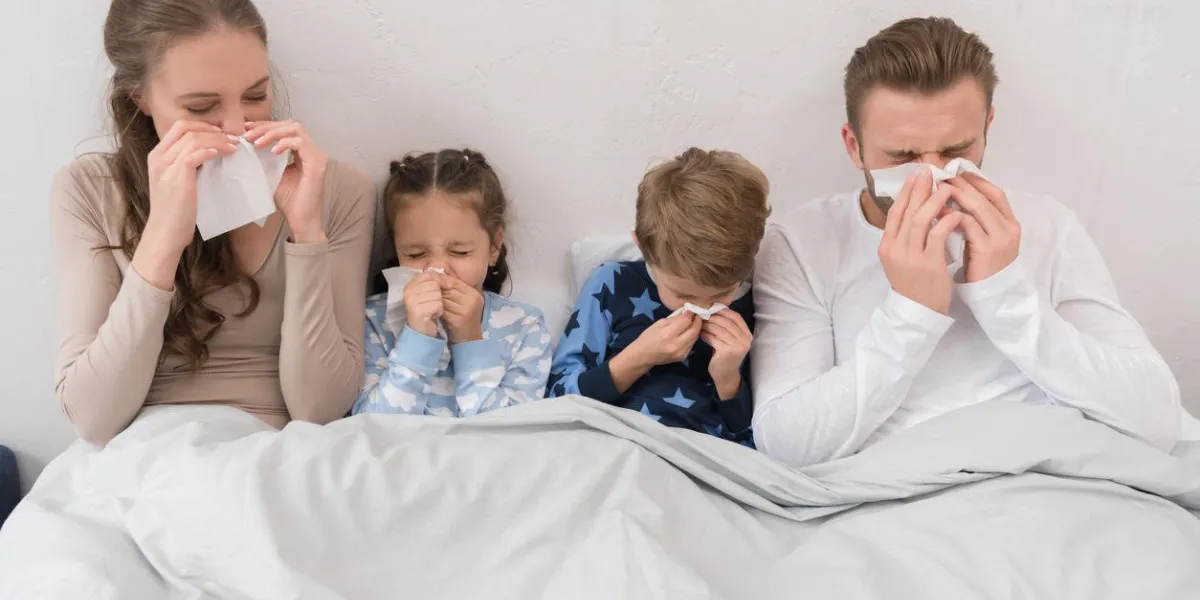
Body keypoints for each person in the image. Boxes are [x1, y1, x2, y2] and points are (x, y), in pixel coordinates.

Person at [750, 17, 1182, 467]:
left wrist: (1006, 296)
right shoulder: (805, 241)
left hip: (1048, 481)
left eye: (956, 152)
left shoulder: (1045, 224)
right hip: (890, 493)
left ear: (987, 128)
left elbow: (1156, 420)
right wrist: (911, 312)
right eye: (902, 157)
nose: (933, 176)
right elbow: (786, 445)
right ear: (854, 146)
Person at [51, 0, 376, 445]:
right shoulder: (89, 190)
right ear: (139, 97)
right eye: (202, 106)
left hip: (282, 454)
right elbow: (92, 418)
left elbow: (319, 409)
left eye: (257, 96)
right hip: (145, 456)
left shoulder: (335, 188)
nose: (238, 126)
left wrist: (306, 234)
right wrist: (164, 238)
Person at [547, 148, 770, 445]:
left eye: (721, 294)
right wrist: (638, 358)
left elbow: (760, 438)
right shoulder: (612, 284)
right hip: (614, 447)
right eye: (683, 294)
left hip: (704, 461)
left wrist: (728, 378)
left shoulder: (757, 306)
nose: (703, 308)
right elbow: (556, 400)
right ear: (642, 247)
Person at [353, 150, 553, 417]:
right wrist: (417, 339)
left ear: (494, 246)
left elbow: (512, 434)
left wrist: (469, 341)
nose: (438, 270)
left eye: (459, 252)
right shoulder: (373, 322)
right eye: (416, 254)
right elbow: (370, 428)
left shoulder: (524, 327)